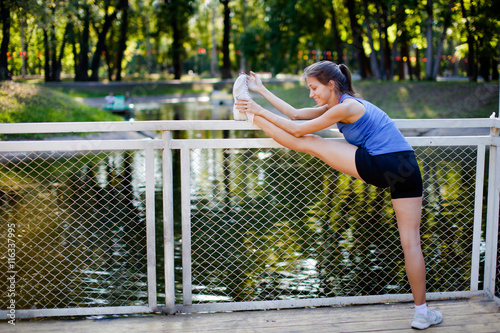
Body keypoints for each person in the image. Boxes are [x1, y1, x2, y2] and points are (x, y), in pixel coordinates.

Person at [235, 61, 442, 330]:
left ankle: (249, 115)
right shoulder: (340, 104)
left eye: (314, 87)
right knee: (411, 243)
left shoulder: (347, 107)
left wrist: (259, 110)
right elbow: (296, 114)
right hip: (407, 167)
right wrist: (261, 90)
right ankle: (422, 313)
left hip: (384, 163)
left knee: (313, 143)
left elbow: (298, 130)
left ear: (331, 84)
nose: (311, 93)